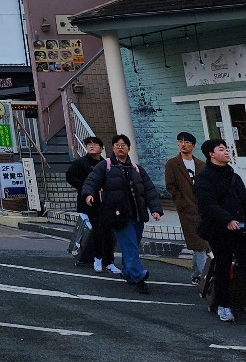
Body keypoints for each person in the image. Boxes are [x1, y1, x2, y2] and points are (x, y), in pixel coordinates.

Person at [81, 133, 163, 294]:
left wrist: (155, 209)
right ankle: (139, 276)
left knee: (132, 245)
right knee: (130, 245)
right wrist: (89, 194)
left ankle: (127, 272)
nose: (120, 148)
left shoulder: (137, 169)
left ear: (129, 148)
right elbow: (91, 181)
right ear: (113, 148)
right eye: (117, 145)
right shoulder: (105, 166)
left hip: (137, 214)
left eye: (123, 145)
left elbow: (149, 190)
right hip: (118, 215)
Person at [194, 138, 246, 324]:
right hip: (218, 230)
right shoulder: (204, 178)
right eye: (221, 149)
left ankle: (240, 299)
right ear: (211, 154)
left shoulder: (234, 176)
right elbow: (208, 204)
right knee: (223, 266)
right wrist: (227, 219)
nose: (226, 152)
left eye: (226, 149)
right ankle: (223, 305)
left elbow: (243, 200)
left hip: (240, 229)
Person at [65, 134, 118, 275]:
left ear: (101, 148)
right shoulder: (81, 163)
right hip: (89, 203)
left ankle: (109, 262)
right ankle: (97, 258)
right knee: (97, 231)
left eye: (95, 144)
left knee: (109, 232)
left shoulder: (106, 163)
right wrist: (85, 187)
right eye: (89, 144)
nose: (91, 146)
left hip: (105, 203)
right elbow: (70, 176)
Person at [164, 131, 209, 282]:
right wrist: (181, 203)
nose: (183, 145)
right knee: (199, 243)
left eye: (186, 142)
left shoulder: (201, 164)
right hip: (186, 208)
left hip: (202, 208)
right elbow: (170, 186)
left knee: (200, 243)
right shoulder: (172, 163)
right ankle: (204, 278)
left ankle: (196, 274)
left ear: (193, 146)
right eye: (180, 141)